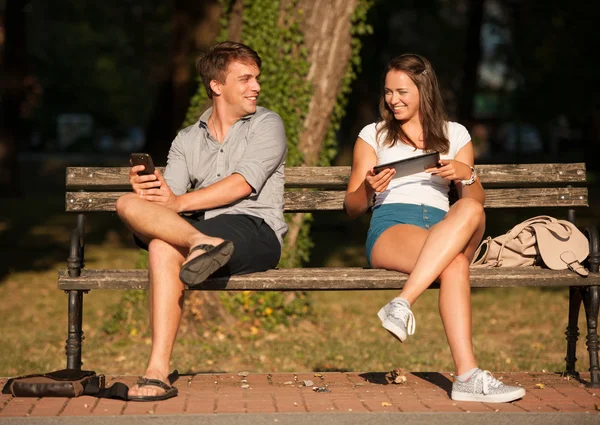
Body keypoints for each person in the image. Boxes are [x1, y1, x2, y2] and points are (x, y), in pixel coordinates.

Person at [344, 53, 525, 403]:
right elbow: (351, 207)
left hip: (447, 226)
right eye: (388, 92)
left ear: (423, 89)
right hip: (394, 225)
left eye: (401, 92)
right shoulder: (374, 135)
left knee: (470, 205)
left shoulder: (455, 134)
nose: (392, 100)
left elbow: (476, 203)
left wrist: (465, 174)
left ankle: (402, 302)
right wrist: (369, 188)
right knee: (455, 264)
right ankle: (469, 376)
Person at [115, 41, 288, 401]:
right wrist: (151, 193)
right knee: (127, 204)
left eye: (256, 78)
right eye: (245, 79)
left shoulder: (267, 124)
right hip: (202, 233)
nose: (255, 86)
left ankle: (156, 370)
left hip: (255, 230)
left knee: (163, 242)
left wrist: (177, 202)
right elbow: (170, 202)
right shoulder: (187, 139)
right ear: (216, 85)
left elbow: (243, 183)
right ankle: (158, 371)